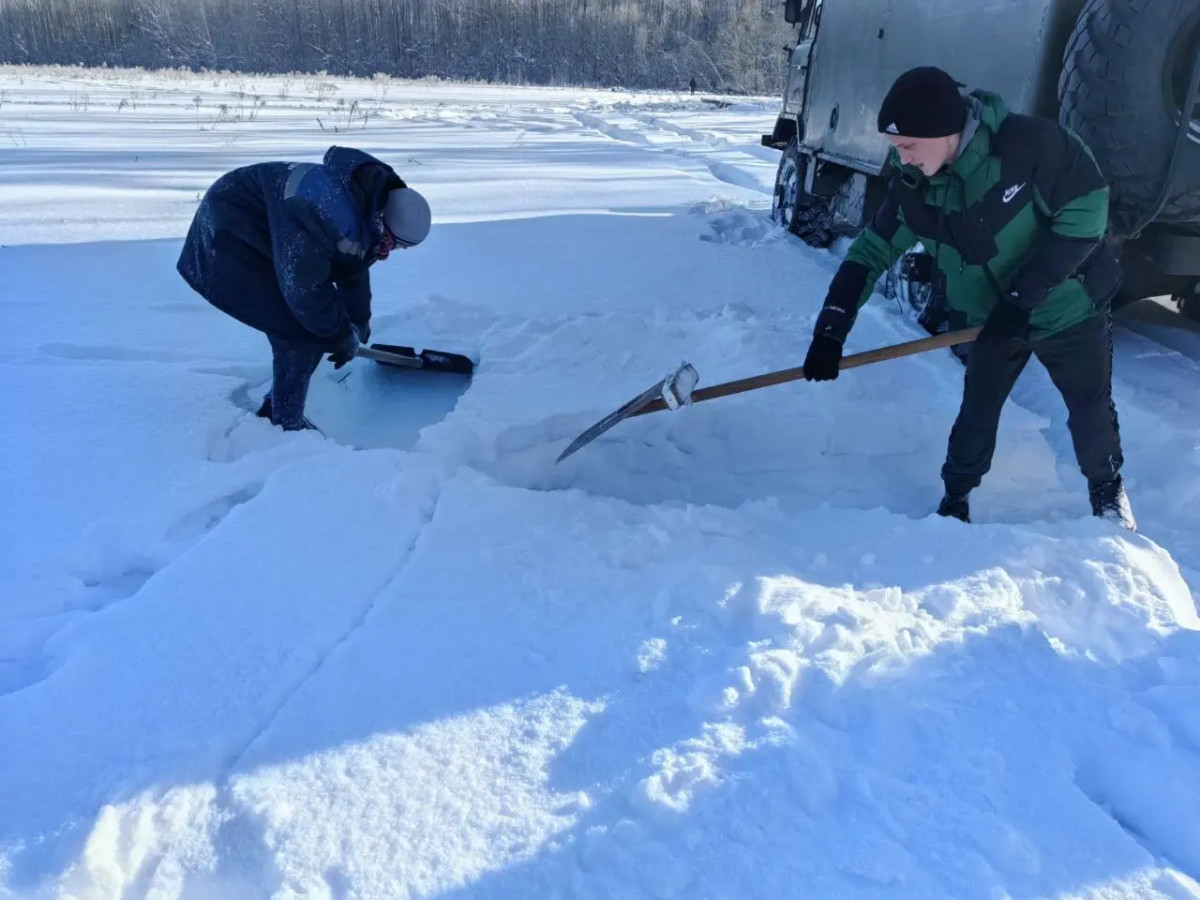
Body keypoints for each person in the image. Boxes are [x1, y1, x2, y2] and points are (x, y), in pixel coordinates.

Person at [801, 66, 1135, 530]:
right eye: (897, 147)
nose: (901, 157)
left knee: (1089, 406)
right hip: (989, 321)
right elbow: (872, 250)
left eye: (908, 145)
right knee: (978, 408)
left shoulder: (1029, 146)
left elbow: (1087, 210)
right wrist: (831, 329)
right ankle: (956, 498)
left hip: (1066, 310)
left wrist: (1021, 300)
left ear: (944, 131)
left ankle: (1107, 492)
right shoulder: (913, 185)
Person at [177, 145, 431, 430]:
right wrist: (337, 334)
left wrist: (357, 320)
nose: (391, 250)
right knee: (297, 330)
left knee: (321, 323)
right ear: (383, 221)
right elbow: (304, 291)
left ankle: (279, 405)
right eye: (394, 242)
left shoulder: (371, 203)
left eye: (401, 247)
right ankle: (283, 424)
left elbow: (353, 267)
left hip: (274, 237)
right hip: (228, 233)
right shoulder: (320, 210)